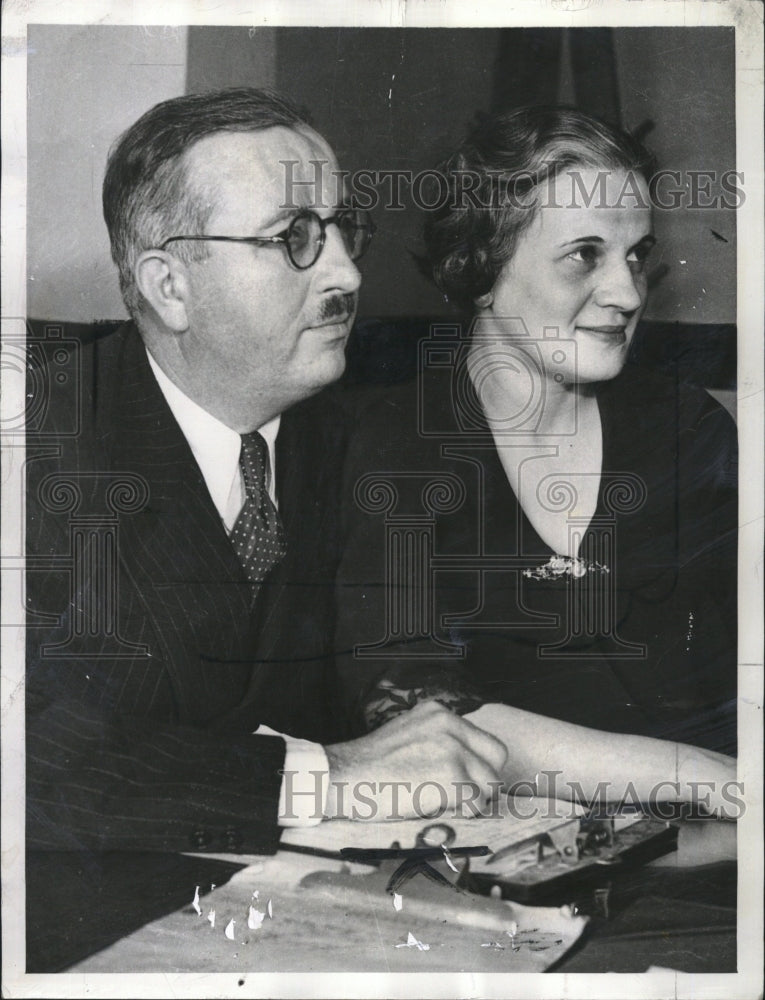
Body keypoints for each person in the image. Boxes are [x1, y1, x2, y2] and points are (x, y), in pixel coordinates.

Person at [25, 88, 511, 854]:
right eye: (295, 237)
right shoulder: (36, 448)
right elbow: (31, 760)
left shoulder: (359, 433)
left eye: (345, 230)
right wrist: (330, 775)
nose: (348, 274)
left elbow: (404, 667)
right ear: (170, 286)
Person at [335, 106, 737, 809]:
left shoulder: (685, 426)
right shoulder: (394, 442)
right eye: (585, 254)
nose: (626, 293)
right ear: (481, 266)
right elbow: (412, 713)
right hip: (499, 857)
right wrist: (705, 778)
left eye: (635, 255)